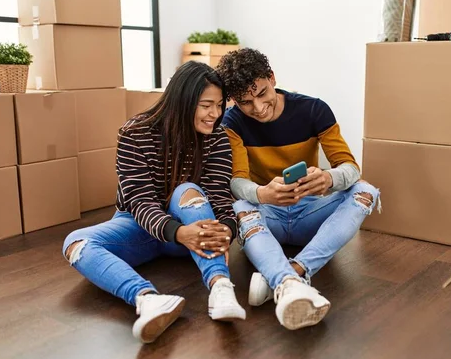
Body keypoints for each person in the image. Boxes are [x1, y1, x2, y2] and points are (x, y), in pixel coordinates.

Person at [62, 61, 246, 344]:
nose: (215, 114)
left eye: (220, 105)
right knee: (76, 243)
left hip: (193, 229)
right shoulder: (135, 133)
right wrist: (177, 232)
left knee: (188, 189)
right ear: (183, 100)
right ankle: (147, 299)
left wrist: (228, 230)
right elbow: (139, 201)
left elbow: (220, 196)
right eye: (206, 105)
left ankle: (220, 286)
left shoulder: (218, 138)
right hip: (142, 226)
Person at [216, 48, 380, 330]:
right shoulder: (232, 122)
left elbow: (350, 168)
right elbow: (237, 181)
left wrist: (328, 179)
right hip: (267, 215)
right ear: (234, 101)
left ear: (272, 77)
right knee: (240, 205)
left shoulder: (314, 109)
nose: (257, 107)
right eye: (245, 102)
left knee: (365, 191)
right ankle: (290, 283)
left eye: (262, 93)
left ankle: (292, 273)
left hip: (309, 212)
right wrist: (262, 193)